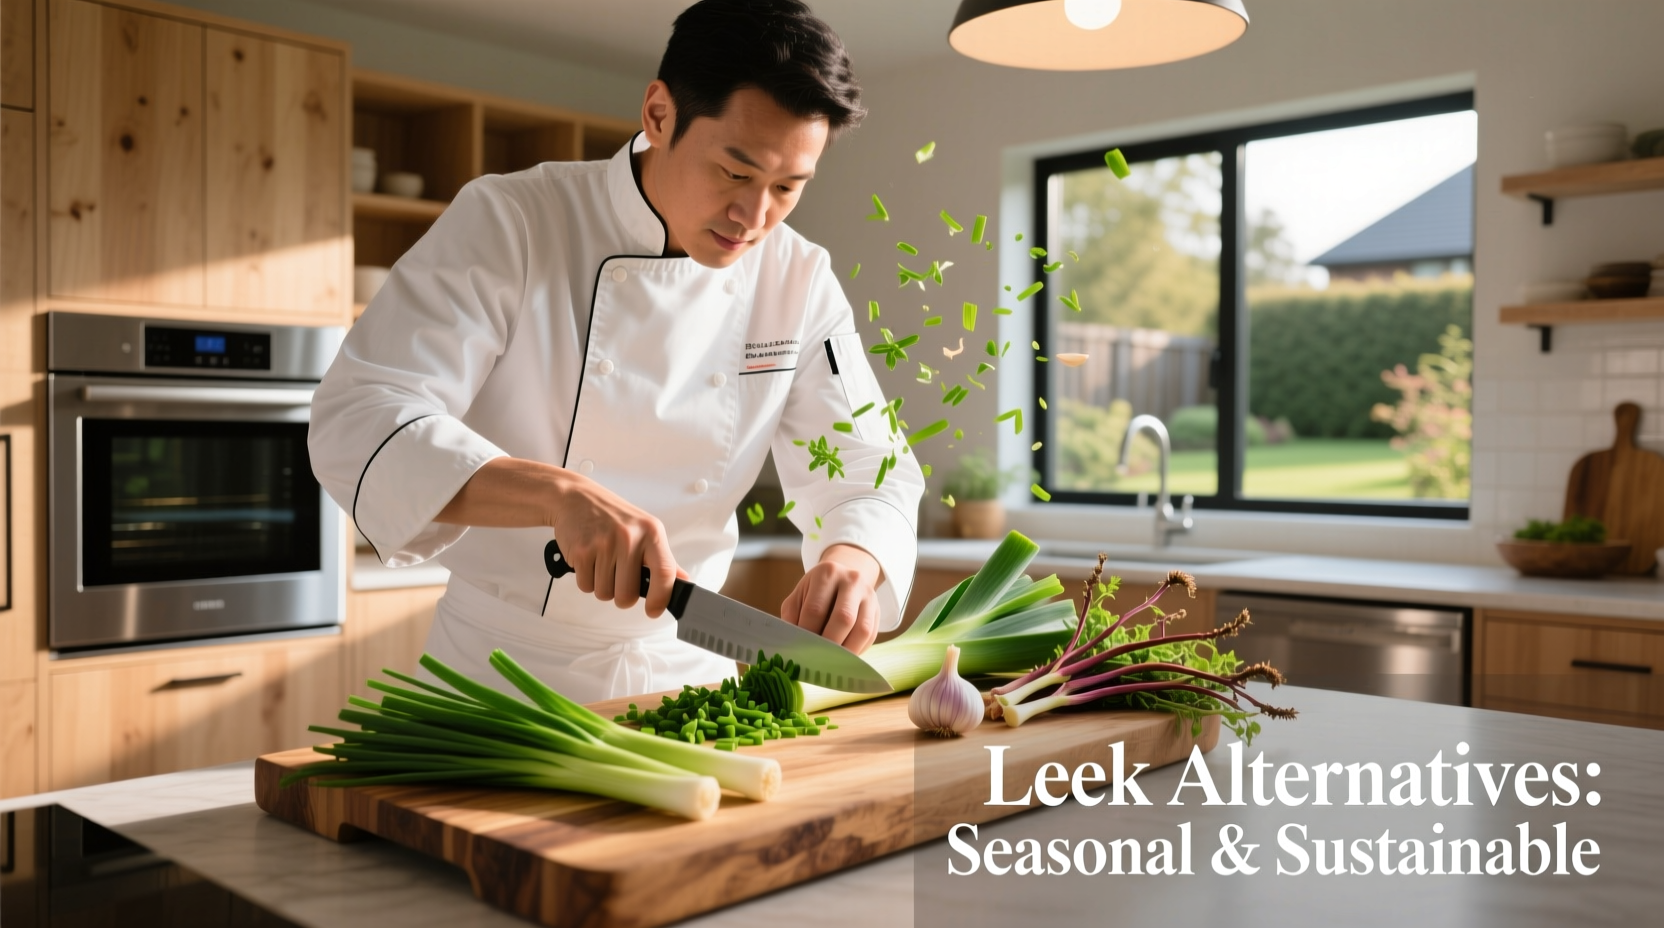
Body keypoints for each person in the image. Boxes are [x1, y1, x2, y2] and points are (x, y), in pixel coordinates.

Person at [308, 0, 923, 702]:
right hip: (498, 678)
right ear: (658, 114)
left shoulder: (798, 278)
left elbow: (868, 463)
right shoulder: (515, 220)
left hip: (687, 671)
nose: (754, 219)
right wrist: (556, 494)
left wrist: (855, 556)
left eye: (788, 188)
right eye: (734, 172)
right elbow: (360, 416)